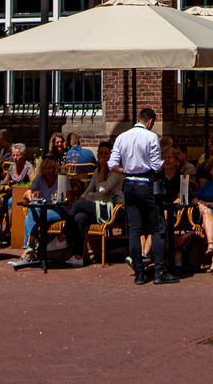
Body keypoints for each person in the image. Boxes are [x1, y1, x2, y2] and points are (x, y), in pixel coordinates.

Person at [109, 107, 174, 284]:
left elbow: (112, 165)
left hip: (129, 184)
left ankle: (139, 274)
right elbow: (155, 166)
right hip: (146, 184)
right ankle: (160, 272)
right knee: (157, 227)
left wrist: (128, 170)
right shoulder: (151, 137)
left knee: (134, 230)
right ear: (151, 122)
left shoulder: (122, 137)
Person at [12, 154, 76, 268]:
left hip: (59, 209)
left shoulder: (61, 178)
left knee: (35, 216)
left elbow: (68, 197)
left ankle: (30, 247)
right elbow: (27, 193)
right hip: (42, 209)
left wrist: (61, 195)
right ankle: (32, 246)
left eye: (50, 168)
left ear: (55, 168)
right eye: (45, 168)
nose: (47, 171)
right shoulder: (39, 179)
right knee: (32, 212)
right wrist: (30, 194)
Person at [63, 140, 121, 266]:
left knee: (78, 205)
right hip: (100, 206)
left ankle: (63, 236)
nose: (103, 157)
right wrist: (82, 200)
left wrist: (105, 168)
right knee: (79, 217)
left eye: (106, 154)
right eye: (100, 154)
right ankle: (78, 257)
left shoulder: (117, 172)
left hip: (116, 210)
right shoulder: (97, 172)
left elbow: (102, 188)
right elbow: (87, 191)